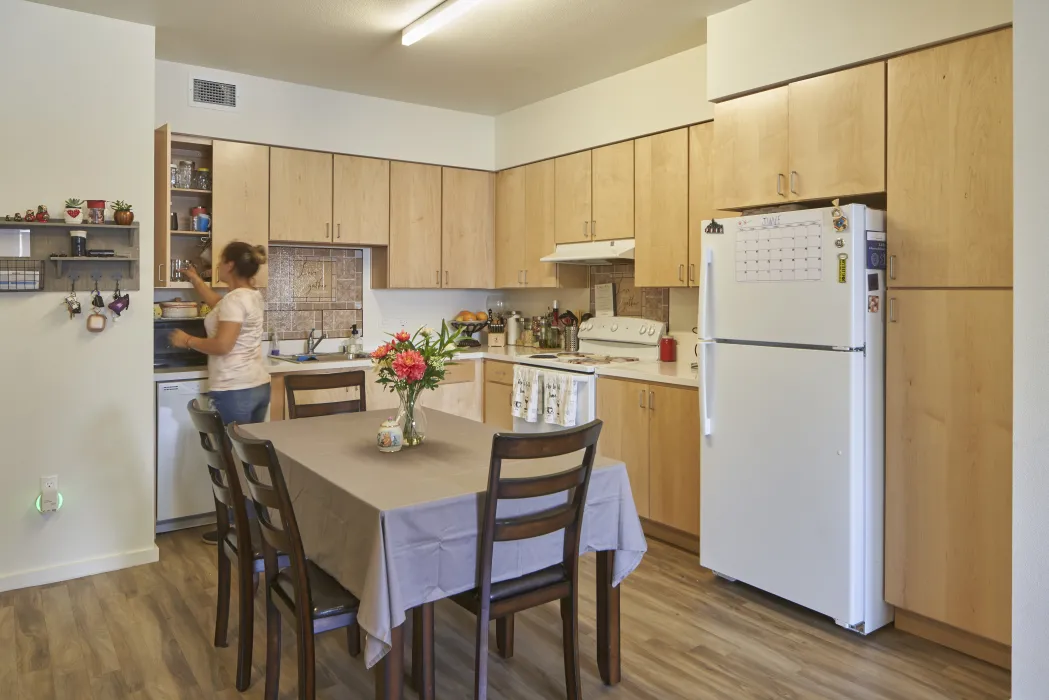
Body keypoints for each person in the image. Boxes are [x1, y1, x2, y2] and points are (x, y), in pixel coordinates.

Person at [169, 241, 270, 543]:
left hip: (234, 389)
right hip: (257, 386)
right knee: (248, 461)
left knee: (232, 463)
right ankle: (254, 527)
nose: (216, 263)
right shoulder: (249, 296)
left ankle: (242, 530)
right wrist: (197, 281)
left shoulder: (236, 300)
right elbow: (220, 307)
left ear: (228, 266)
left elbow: (223, 345)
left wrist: (188, 340)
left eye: (220, 259)